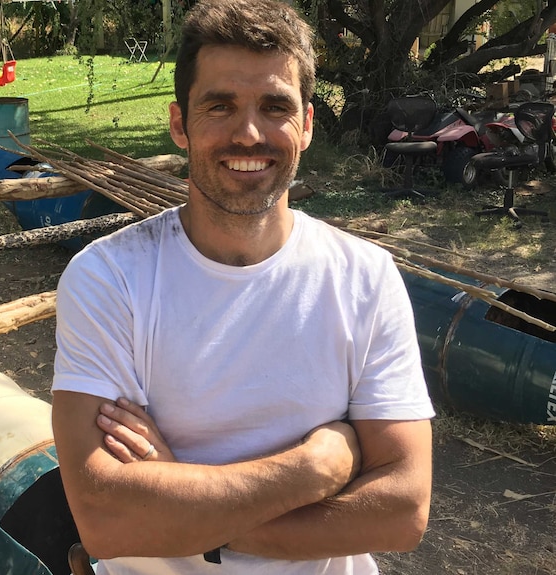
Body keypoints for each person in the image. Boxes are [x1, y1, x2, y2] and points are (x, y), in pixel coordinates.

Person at [50, 1, 435, 573]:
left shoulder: (364, 279)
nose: (249, 133)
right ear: (180, 124)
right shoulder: (111, 278)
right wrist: (313, 470)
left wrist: (187, 514)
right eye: (220, 106)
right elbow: (105, 521)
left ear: (305, 126)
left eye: (275, 106)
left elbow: (401, 511)